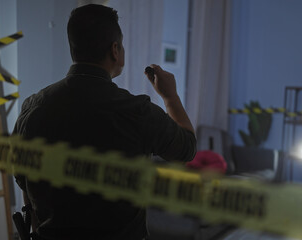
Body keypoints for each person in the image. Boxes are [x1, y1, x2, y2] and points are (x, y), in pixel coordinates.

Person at [13, 4, 196, 240]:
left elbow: (22, 177)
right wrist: (170, 97)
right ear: (115, 50)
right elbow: (187, 148)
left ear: (73, 49)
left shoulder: (33, 108)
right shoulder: (137, 111)